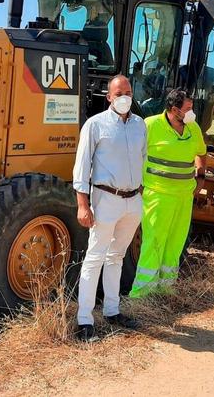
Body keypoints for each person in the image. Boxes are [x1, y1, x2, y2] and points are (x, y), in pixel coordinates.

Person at [72, 75, 147, 342]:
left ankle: (113, 311)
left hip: (133, 201)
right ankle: (84, 320)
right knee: (95, 258)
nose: (125, 97)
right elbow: (81, 168)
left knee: (117, 257)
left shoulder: (140, 125)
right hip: (105, 200)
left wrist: (141, 194)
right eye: (119, 93)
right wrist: (83, 205)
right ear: (109, 97)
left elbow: (143, 159)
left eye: (128, 91)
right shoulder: (95, 125)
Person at [129, 89, 207, 297]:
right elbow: (133, 154)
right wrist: (138, 185)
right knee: (153, 242)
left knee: (175, 243)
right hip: (157, 195)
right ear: (174, 110)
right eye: (188, 109)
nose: (192, 113)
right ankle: (142, 295)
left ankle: (165, 290)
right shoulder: (150, 125)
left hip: (183, 197)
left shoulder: (193, 128)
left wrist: (200, 178)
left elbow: (201, 153)